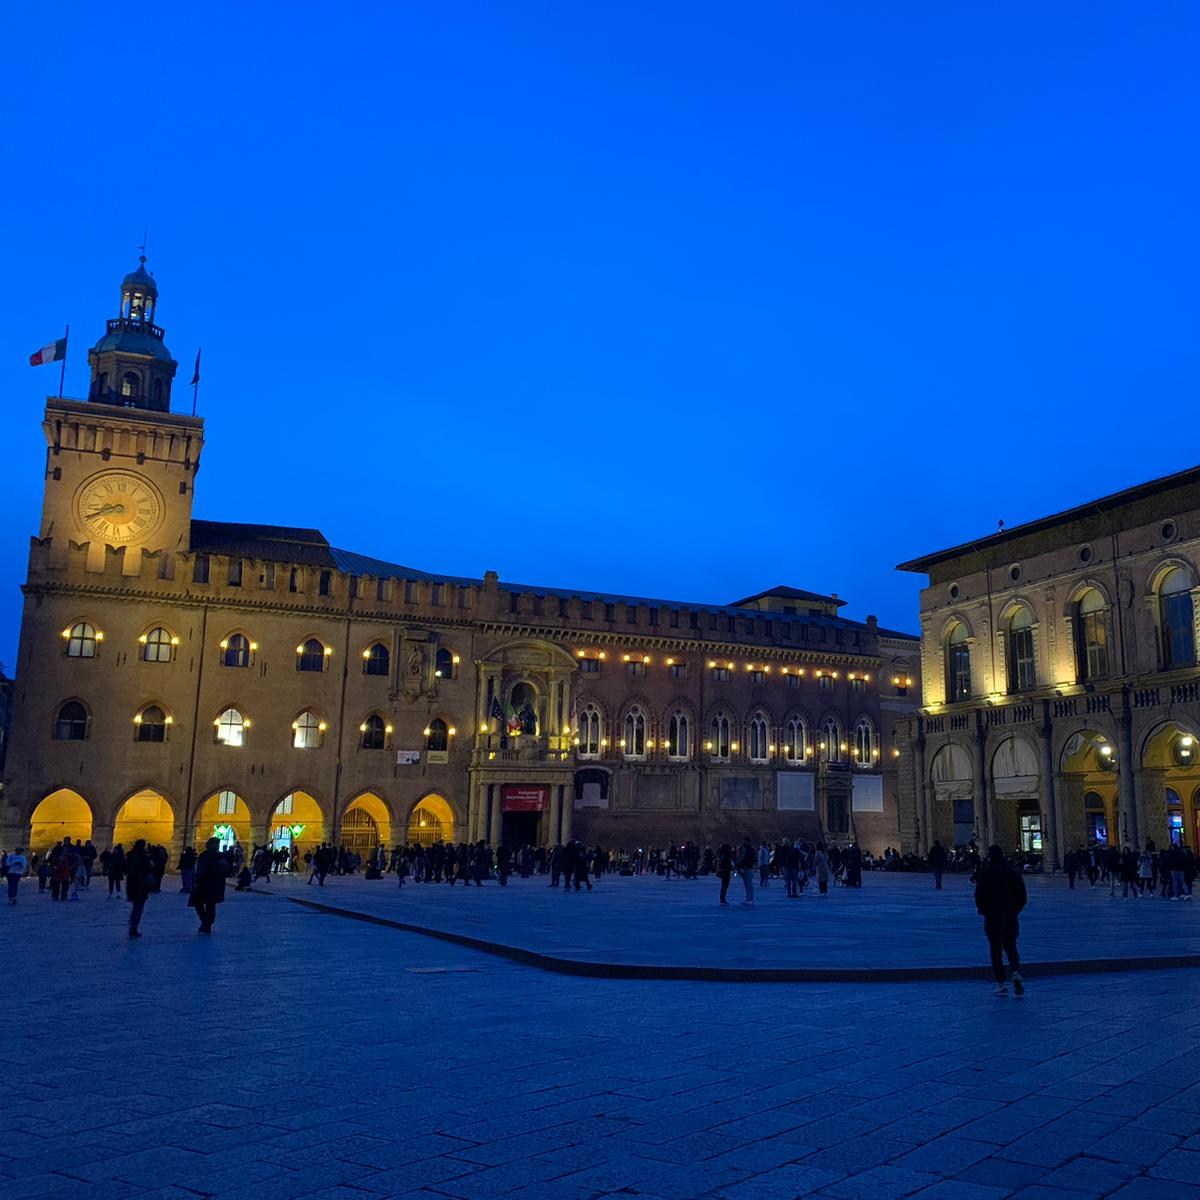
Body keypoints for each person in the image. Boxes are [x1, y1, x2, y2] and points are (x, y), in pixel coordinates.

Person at [974, 845, 1027, 996]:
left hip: (992, 918)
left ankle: (1001, 984)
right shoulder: (1013, 873)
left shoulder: (986, 874)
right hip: (1010, 917)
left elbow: (979, 896)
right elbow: (1023, 896)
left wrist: (984, 910)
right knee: (1011, 947)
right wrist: (1014, 911)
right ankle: (1016, 972)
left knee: (996, 949)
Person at [190, 838, 228, 933]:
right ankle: (206, 922)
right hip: (211, 884)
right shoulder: (216, 856)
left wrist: (196, 881)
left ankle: (207, 923)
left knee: (204, 903)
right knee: (206, 904)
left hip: (207, 884)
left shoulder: (213, 856)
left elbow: (201, 870)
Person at [124, 840, 152, 939]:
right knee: (138, 908)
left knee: (136, 907)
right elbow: (149, 868)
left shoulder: (130, 856)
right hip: (141, 884)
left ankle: (132, 927)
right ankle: (133, 928)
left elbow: (126, 869)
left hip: (131, 884)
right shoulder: (143, 857)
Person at [736, 837, 756, 906]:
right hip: (743, 869)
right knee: (746, 885)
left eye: (745, 841)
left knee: (749, 884)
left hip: (748, 869)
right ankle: (747, 898)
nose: (744, 842)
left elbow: (752, 860)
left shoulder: (751, 850)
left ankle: (750, 899)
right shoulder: (742, 849)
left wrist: (746, 867)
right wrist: (739, 867)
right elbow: (739, 858)